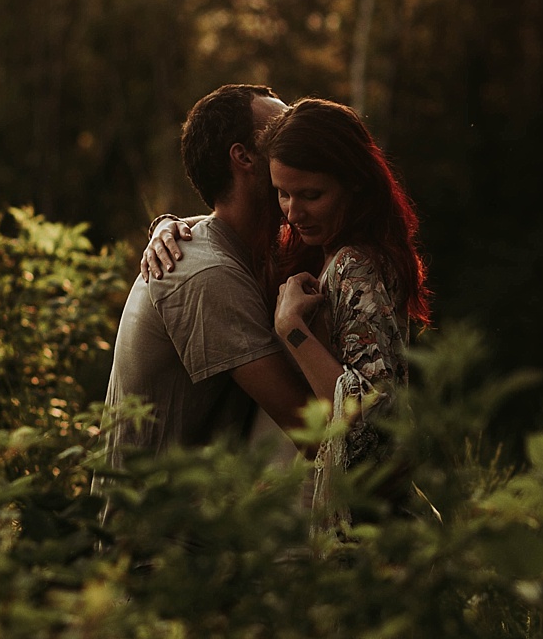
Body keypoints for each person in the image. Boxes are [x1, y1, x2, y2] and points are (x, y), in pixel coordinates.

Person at [136, 90, 427, 526]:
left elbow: (359, 424)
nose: (293, 212)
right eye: (283, 194)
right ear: (246, 160)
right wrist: (165, 224)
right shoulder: (286, 251)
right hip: (226, 525)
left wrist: (291, 327)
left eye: (310, 193)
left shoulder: (353, 266)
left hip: (339, 518)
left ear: (352, 182)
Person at [103, 79, 308, 461]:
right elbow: (311, 432)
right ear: (243, 157)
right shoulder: (203, 271)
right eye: (281, 131)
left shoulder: (250, 247)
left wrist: (164, 222)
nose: (298, 141)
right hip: (156, 516)